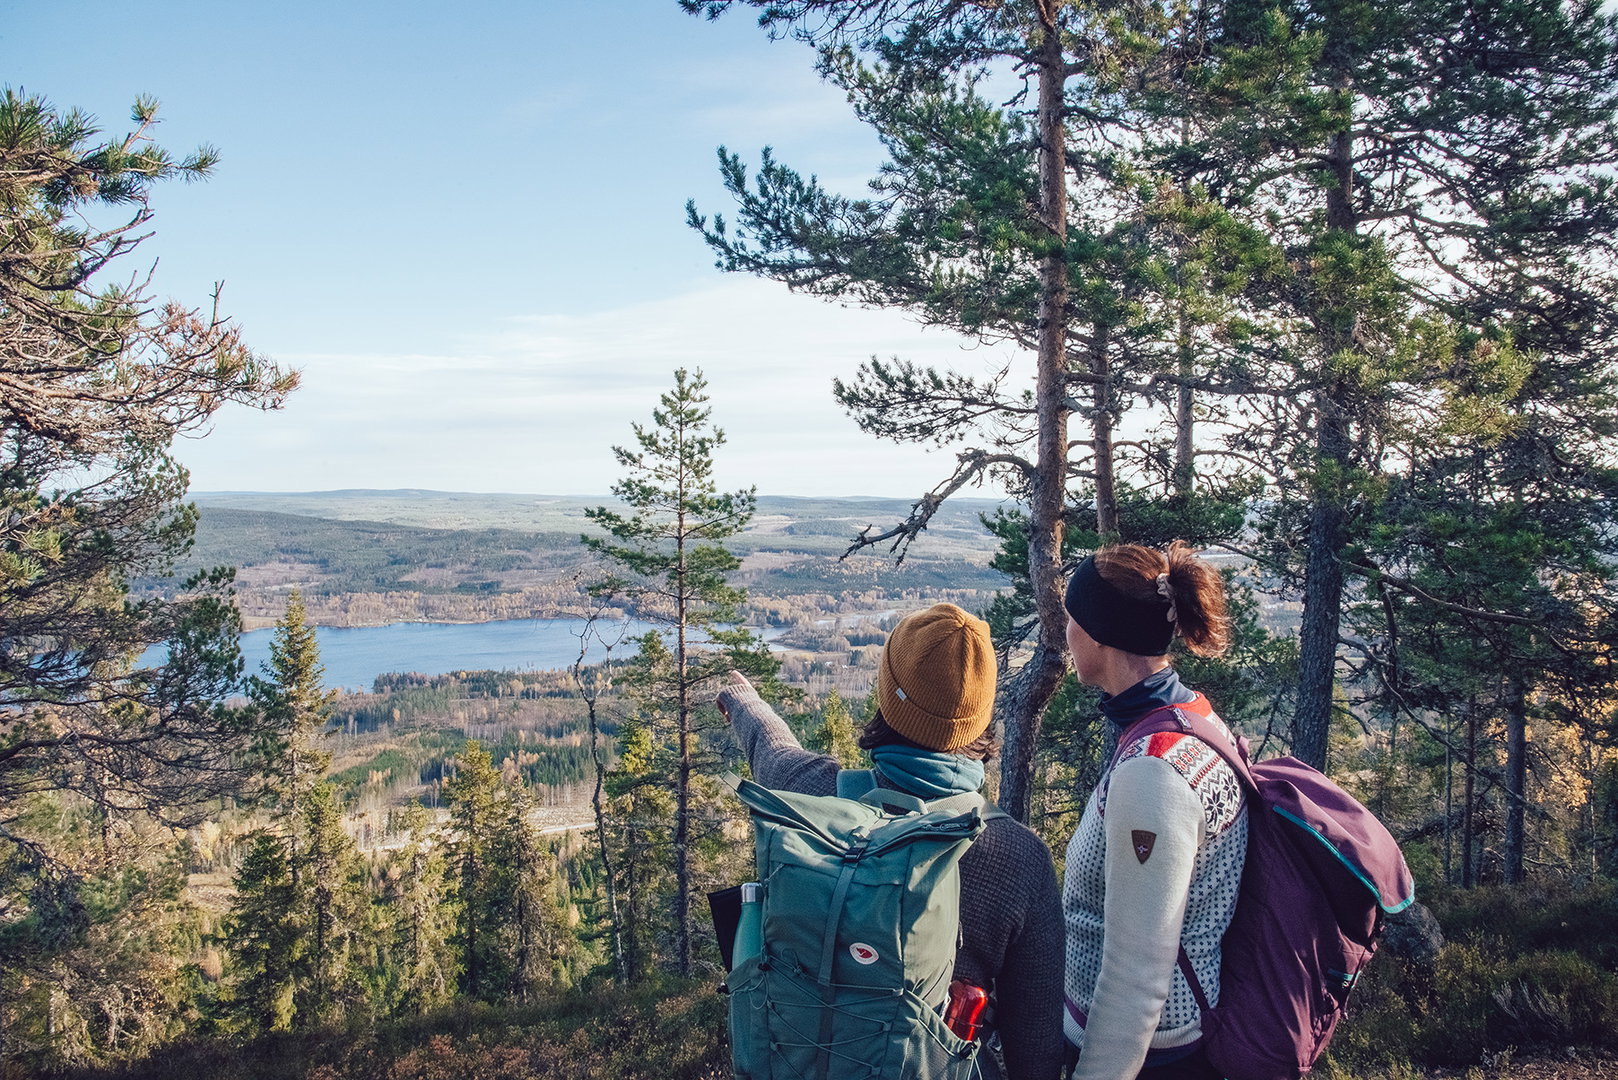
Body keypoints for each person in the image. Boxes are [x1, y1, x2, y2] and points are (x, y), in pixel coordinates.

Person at [717, 602, 1066, 1080]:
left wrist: (743, 701)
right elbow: (1037, 1051)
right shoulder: (1016, 857)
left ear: (886, 698)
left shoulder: (813, 796)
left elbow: (773, 750)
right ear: (980, 719)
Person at [1059, 543, 1248, 1080]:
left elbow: (1136, 972)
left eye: (1072, 618)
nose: (1066, 632)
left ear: (1100, 634)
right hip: (1167, 1043)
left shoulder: (1153, 772)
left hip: (1147, 1056)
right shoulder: (1194, 717)